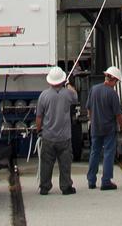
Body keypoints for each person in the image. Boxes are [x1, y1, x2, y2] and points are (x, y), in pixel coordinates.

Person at [35, 65, 79, 195]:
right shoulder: (68, 94)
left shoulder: (43, 95)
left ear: (49, 81)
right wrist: (69, 85)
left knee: (46, 163)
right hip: (64, 136)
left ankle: (44, 186)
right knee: (65, 163)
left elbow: (39, 116)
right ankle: (66, 187)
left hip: (48, 135)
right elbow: (76, 97)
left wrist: (39, 130)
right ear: (62, 80)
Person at [87, 66, 122, 189]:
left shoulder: (94, 89)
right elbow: (118, 114)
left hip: (95, 127)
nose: (116, 84)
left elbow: (89, 108)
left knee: (94, 152)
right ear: (113, 80)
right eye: (116, 82)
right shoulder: (113, 94)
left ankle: (91, 181)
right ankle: (106, 181)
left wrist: (92, 120)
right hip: (109, 129)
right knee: (108, 153)